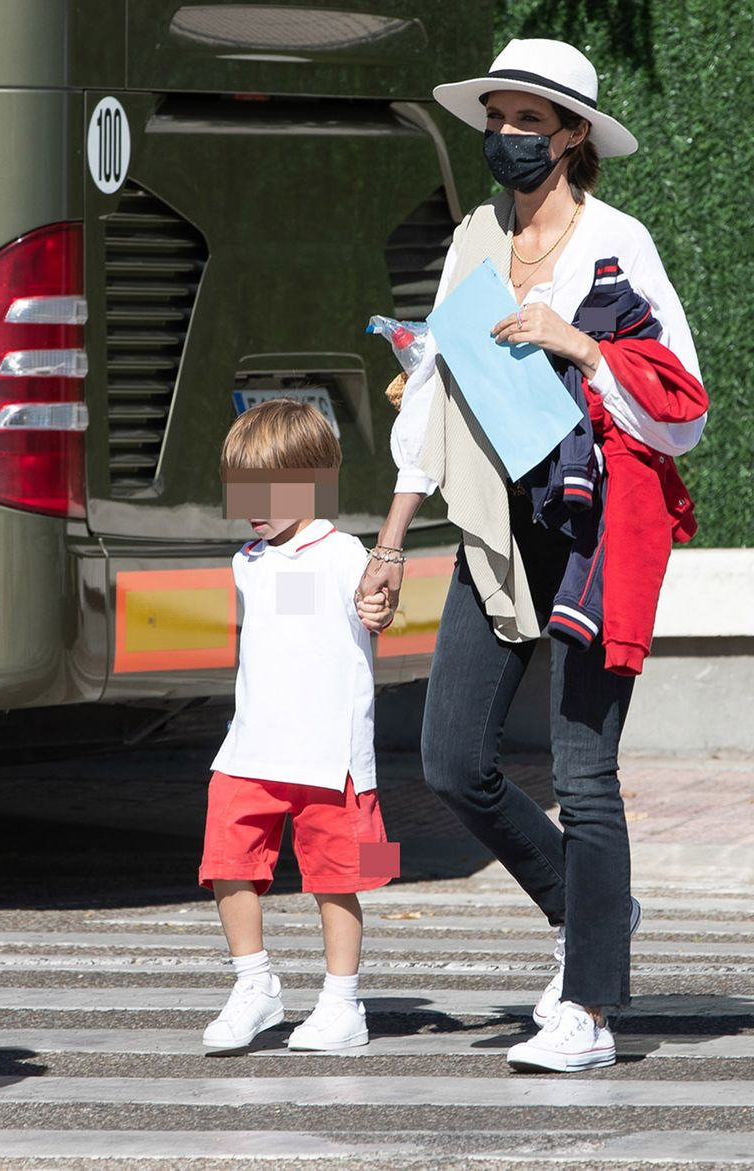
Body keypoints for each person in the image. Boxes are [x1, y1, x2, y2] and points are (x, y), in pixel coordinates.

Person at [354, 38, 706, 1072]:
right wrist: (388, 541)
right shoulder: (475, 237)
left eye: (528, 121)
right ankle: (594, 908)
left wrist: (580, 342)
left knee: (583, 773)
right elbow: (432, 392)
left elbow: (684, 411)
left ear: (572, 137)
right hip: (496, 529)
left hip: (595, 534)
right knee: (452, 759)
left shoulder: (618, 244)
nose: (507, 136)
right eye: (496, 118)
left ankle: (589, 1010)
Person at [200, 398, 392, 1052]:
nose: (249, 504)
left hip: (331, 759)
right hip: (248, 751)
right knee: (226, 862)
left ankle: (343, 1003)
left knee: (339, 880)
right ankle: (254, 985)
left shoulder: (344, 554)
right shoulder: (246, 562)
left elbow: (374, 604)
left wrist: (379, 607)